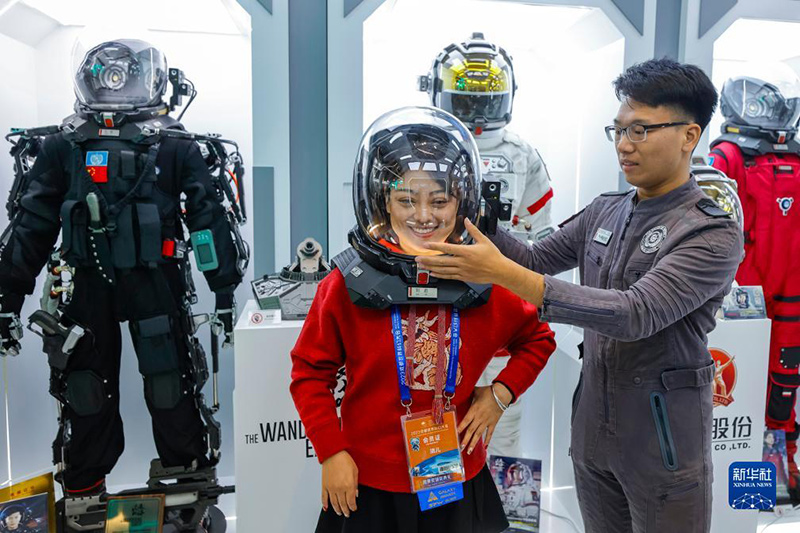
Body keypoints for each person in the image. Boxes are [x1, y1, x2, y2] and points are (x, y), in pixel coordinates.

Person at [417, 58, 744, 532]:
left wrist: (501, 271)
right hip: (593, 433)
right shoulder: (605, 211)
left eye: (640, 131)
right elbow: (532, 260)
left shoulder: (710, 232)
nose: (624, 146)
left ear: (689, 136)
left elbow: (634, 313)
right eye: (617, 130)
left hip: (663, 445)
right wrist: (478, 222)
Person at [0, 39, 247, 529]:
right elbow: (31, 228)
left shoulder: (174, 147)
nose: (115, 83)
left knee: (169, 382)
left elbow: (205, 222)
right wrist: (8, 298)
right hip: (85, 285)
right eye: (106, 75)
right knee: (86, 390)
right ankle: (86, 490)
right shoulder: (61, 148)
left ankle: (185, 483)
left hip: (156, 281)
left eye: (126, 75)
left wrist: (223, 291)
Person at [290, 106, 556, 533]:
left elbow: (538, 339)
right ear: (383, 202)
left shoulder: (485, 282)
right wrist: (331, 452)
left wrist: (500, 394)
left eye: (440, 200)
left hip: (454, 476)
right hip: (366, 479)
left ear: (462, 202)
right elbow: (309, 373)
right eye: (406, 199)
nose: (424, 215)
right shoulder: (347, 284)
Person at [419, 32, 554, 458]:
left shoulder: (523, 154)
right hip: (429, 306)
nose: (476, 107)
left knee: (499, 429)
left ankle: (501, 515)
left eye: (486, 97)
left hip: (496, 313)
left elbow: (542, 242)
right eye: (468, 97)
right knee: (427, 417)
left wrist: (531, 301)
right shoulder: (416, 145)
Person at [708, 67, 800, 501]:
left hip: (792, 289)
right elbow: (704, 198)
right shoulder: (728, 155)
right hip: (741, 294)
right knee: (733, 385)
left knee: (786, 375)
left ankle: (778, 463)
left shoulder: (795, 157)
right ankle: (732, 488)